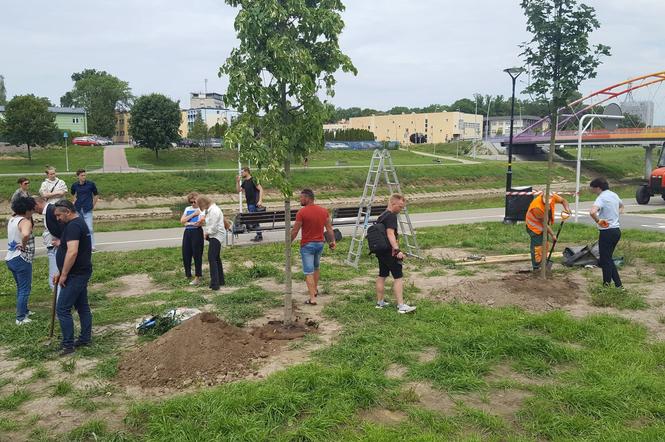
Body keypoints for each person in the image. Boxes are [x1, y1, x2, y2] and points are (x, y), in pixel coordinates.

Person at [53, 200, 93, 356]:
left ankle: (68, 345)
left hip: (76, 274)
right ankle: (85, 339)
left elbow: (72, 252)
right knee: (82, 306)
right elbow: (66, 249)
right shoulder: (76, 223)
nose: (57, 218)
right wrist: (60, 270)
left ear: (68, 211)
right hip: (78, 272)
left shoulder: (74, 226)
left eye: (58, 215)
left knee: (62, 309)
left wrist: (64, 274)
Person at [290, 189, 335, 305]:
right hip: (320, 244)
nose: (300, 200)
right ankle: (314, 289)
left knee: (308, 271)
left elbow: (295, 231)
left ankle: (312, 298)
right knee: (316, 267)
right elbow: (329, 229)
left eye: (301, 198)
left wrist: (288, 242)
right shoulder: (323, 211)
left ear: (307, 198)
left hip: (307, 246)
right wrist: (332, 241)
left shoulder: (301, 213)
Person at [374, 194, 416, 314]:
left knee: (382, 275)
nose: (401, 209)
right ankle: (401, 306)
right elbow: (390, 234)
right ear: (393, 204)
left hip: (380, 251)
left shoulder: (381, 216)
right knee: (398, 277)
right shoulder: (391, 216)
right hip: (389, 251)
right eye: (400, 206)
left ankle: (380, 302)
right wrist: (397, 250)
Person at [5, 196, 36, 325]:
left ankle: (25, 310)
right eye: (32, 209)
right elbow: (25, 234)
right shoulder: (25, 221)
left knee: (20, 287)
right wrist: (23, 245)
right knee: (25, 289)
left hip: (10, 257)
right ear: (27, 209)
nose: (33, 211)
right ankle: (20, 318)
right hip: (21, 259)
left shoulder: (12, 219)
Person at [589, 177, 624, 288]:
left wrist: (598, 220)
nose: (592, 191)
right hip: (616, 231)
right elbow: (622, 206)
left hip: (607, 232)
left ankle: (606, 286)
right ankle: (619, 286)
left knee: (605, 260)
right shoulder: (614, 195)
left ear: (598, 188)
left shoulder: (602, 197)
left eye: (593, 189)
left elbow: (592, 212)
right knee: (607, 259)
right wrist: (615, 215)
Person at [525, 191, 571, 271]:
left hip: (543, 225)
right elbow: (544, 224)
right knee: (538, 247)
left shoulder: (552, 196)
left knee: (545, 244)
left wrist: (567, 209)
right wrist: (553, 235)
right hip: (534, 227)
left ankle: (543, 262)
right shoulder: (537, 207)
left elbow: (563, 201)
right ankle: (537, 267)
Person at [34, 197, 64, 291]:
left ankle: (60, 304)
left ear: (37, 205)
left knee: (54, 281)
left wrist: (62, 241)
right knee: (56, 280)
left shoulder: (51, 211)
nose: (33, 211)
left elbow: (63, 227)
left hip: (56, 248)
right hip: (54, 247)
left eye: (33, 208)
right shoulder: (49, 211)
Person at [197, 196, 226, 290]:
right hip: (216, 235)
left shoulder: (213, 211)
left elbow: (213, 227)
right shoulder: (212, 209)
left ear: (204, 204)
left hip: (216, 236)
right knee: (216, 258)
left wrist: (207, 233)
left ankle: (215, 284)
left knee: (212, 258)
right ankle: (220, 280)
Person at [71, 169, 99, 251]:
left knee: (89, 228)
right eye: (82, 175)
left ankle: (92, 246)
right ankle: (82, 246)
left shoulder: (91, 184)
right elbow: (73, 194)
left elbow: (96, 195)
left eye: (85, 175)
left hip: (87, 209)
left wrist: (92, 205)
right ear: (78, 176)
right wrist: (74, 202)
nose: (84, 177)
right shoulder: (75, 185)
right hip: (78, 209)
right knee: (80, 229)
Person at [180, 192, 205, 286]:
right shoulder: (188, 209)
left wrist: (189, 222)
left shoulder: (201, 209)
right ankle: (188, 274)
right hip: (187, 232)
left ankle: (198, 276)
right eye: (191, 202)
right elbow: (182, 221)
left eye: (195, 201)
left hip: (197, 232)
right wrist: (193, 215)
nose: (193, 204)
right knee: (186, 253)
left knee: (197, 254)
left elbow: (201, 222)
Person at [236, 167, 264, 242]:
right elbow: (239, 190)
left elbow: (261, 189)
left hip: (254, 203)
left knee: (254, 220)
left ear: (247, 172)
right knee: (255, 220)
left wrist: (260, 200)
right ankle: (259, 235)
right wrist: (238, 182)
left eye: (242, 172)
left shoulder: (253, 180)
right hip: (249, 203)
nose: (241, 174)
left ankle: (259, 235)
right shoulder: (245, 182)